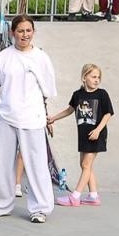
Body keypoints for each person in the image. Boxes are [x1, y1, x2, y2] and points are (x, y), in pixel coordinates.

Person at [0, 15, 58, 223]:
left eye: (28, 31)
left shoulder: (41, 58)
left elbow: (46, 91)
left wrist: (45, 116)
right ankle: (0, 205)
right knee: (3, 163)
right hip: (6, 117)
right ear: (12, 33)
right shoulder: (3, 57)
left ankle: (40, 208)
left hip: (32, 118)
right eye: (20, 31)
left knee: (36, 164)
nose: (25, 35)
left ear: (33, 32)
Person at [47, 63, 111, 206]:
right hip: (83, 136)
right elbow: (69, 110)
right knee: (85, 165)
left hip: (96, 135)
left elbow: (108, 114)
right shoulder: (78, 95)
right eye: (93, 77)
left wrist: (98, 130)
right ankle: (93, 196)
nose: (97, 80)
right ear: (84, 77)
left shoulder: (102, 94)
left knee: (86, 164)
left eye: (98, 77)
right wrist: (53, 118)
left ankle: (75, 196)